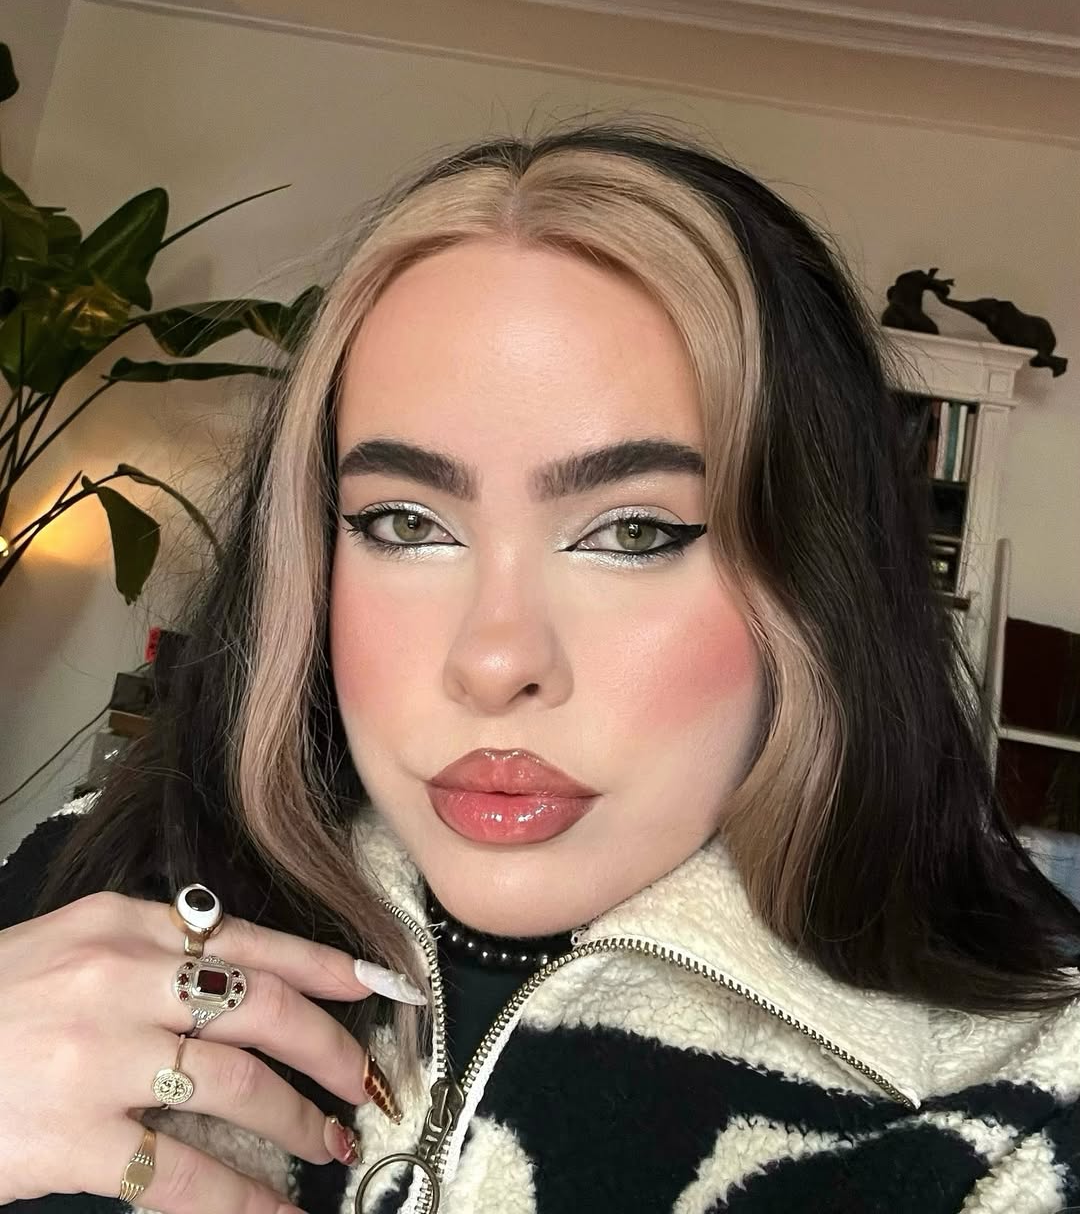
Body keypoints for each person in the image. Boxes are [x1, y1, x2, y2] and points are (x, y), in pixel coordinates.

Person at [1, 122, 1079, 1214]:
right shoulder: (90, 881)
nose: (494, 661)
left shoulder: (1023, 1110)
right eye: (406, 523)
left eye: (633, 532)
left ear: (816, 586)